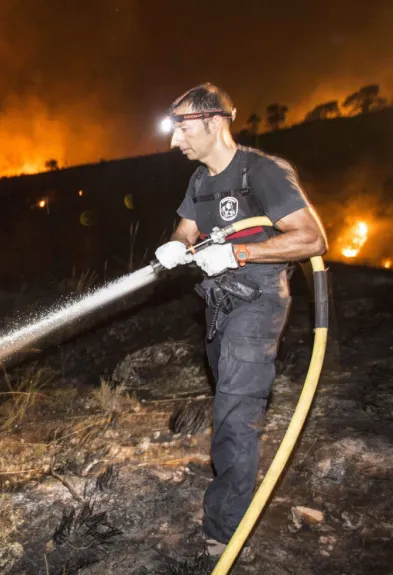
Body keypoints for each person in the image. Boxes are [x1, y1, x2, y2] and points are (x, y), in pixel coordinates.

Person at [153, 83, 328, 556]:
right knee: (226, 400)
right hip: (218, 304)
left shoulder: (262, 171)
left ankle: (226, 533)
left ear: (214, 121)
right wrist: (176, 244)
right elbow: (187, 228)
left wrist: (240, 251)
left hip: (259, 302)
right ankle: (229, 500)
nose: (174, 142)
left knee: (236, 409)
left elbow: (312, 239)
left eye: (182, 129)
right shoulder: (200, 180)